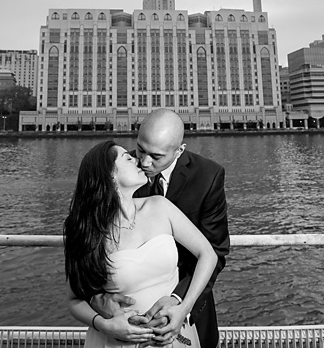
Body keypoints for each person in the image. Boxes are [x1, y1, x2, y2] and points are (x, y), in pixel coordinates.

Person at [92, 109, 230, 348]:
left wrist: (179, 302)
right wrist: (98, 298)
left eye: (156, 156)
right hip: (125, 318)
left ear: (179, 151)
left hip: (189, 306)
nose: (144, 163)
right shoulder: (123, 173)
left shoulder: (208, 176)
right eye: (140, 150)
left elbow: (215, 251)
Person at [65, 139, 218, 348]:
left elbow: (208, 255)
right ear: (110, 174)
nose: (139, 161)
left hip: (173, 336)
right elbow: (74, 300)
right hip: (116, 341)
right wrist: (105, 325)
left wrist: (183, 308)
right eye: (128, 158)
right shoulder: (87, 228)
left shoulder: (160, 206)